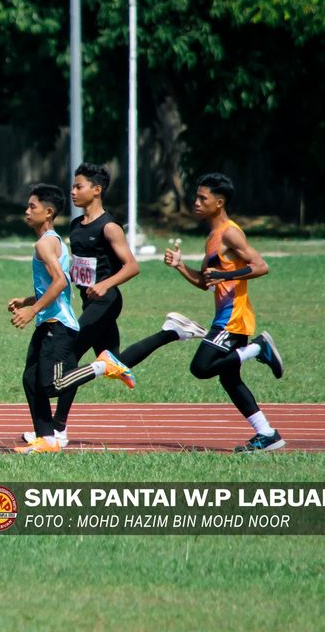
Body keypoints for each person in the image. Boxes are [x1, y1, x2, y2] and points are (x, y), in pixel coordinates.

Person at [28, 163, 205, 447]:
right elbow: (79, 268)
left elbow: (132, 266)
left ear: (96, 190)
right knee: (117, 361)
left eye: (79, 186)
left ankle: (57, 430)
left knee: (68, 355)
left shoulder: (109, 227)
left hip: (107, 302)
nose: (73, 192)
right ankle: (172, 331)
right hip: (89, 302)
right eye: (73, 187)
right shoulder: (76, 226)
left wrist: (105, 284)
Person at [164, 173, 285, 452]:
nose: (196, 202)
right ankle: (266, 434)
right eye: (196, 197)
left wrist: (225, 273)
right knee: (230, 379)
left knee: (201, 367)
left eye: (202, 198)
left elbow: (260, 266)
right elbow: (206, 283)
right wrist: (180, 266)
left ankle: (259, 348)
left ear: (219, 203)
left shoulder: (230, 232)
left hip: (234, 319)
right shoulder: (212, 238)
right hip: (224, 317)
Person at [9, 183, 79, 455]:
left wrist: (32, 310)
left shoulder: (44, 243)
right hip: (49, 322)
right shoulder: (52, 241)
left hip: (58, 324)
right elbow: (54, 283)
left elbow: (60, 282)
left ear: (48, 212)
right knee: (30, 378)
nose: (27, 211)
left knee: (50, 385)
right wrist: (27, 301)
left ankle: (100, 367)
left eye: (32, 207)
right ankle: (47, 439)